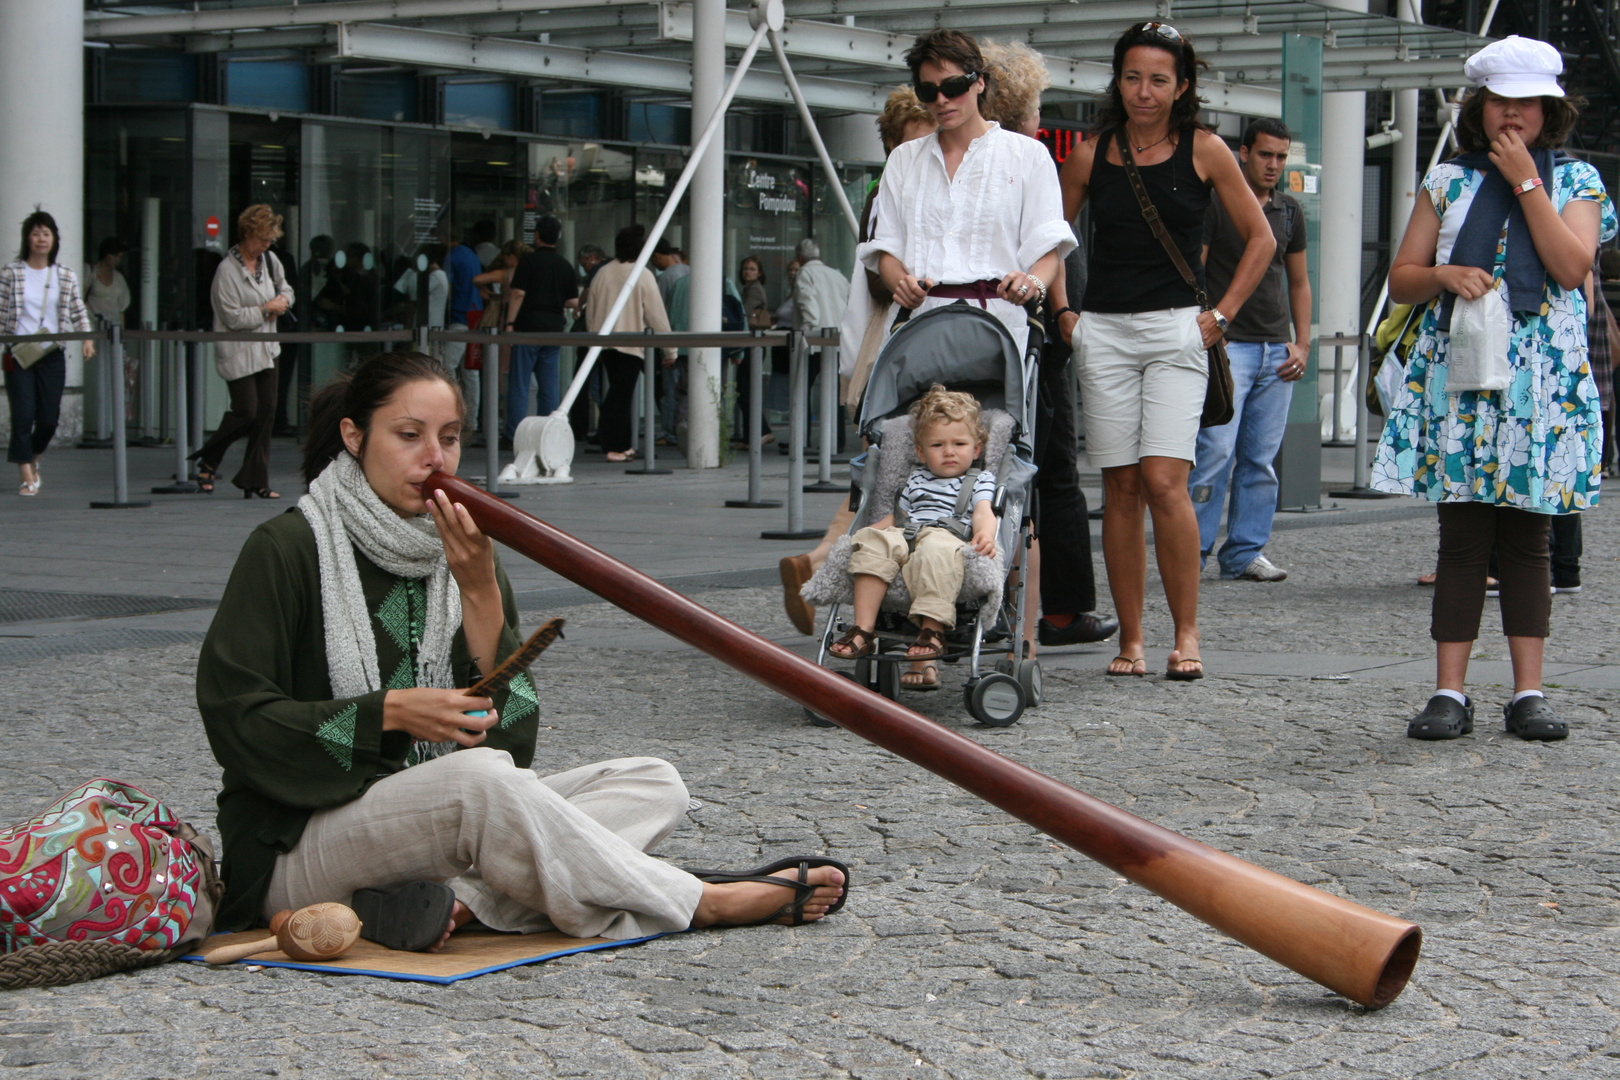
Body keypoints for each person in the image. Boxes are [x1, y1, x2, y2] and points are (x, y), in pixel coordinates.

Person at [195, 350, 846, 947]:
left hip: (438, 829)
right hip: (295, 845)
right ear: (354, 436)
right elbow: (238, 721)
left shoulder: (463, 553)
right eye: (408, 435)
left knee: (655, 785)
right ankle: (701, 901)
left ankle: (465, 904)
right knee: (474, 784)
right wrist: (387, 714)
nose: (435, 459)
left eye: (448, 439)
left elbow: (514, 749)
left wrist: (481, 594)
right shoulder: (288, 550)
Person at [1372, 35, 1614, 742]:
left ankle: (1528, 692)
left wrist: (1526, 183)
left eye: (1528, 103)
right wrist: (1445, 276)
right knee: (1462, 538)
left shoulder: (1577, 181)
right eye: (1502, 101)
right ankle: (1449, 691)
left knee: (1530, 542)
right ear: (1481, 106)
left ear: (1549, 110)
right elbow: (1402, 278)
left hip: (1543, 384)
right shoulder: (1449, 179)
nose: (1514, 116)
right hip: (1466, 377)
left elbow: (1572, 267)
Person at [1058, 21, 1274, 680]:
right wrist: (1064, 312)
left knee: (1163, 481)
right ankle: (1131, 640)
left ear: (1182, 86)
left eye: (1158, 79)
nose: (1143, 92)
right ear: (1116, 80)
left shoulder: (1206, 149)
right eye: (1132, 77)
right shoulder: (1092, 153)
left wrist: (1222, 314)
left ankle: (1187, 634)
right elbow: (1049, 239)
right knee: (1119, 487)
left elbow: (1260, 239)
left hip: (1179, 329)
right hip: (1105, 332)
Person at [976, 40, 1120, 651]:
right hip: (1034, 338)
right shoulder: (1027, 161)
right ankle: (1060, 609)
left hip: (980, 339)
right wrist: (1063, 315)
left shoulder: (976, 161)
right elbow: (1056, 251)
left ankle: (1004, 601)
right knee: (1051, 472)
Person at [780, 89, 936, 636]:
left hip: (895, 349)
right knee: (886, 475)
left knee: (879, 473)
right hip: (896, 349)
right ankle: (827, 562)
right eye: (913, 139)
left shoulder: (893, 187)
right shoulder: (887, 192)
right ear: (893, 144)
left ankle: (822, 558)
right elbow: (879, 276)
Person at [1187, 118, 1313, 583]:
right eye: (1266, 155)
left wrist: (1302, 342)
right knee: (1214, 452)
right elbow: (1194, 272)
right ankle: (1192, 552)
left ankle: (1244, 552)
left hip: (1275, 349)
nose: (1274, 165)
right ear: (1244, 153)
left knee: (1260, 460)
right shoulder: (1218, 203)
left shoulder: (1289, 211)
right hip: (1228, 346)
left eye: (1281, 157)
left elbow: (1298, 280)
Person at [827, 386, 997, 690]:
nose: (948, 451)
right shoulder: (916, 478)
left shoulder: (979, 479)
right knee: (872, 540)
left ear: (976, 450)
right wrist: (871, 532)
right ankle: (863, 629)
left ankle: (932, 631)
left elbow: (984, 512)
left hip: (948, 535)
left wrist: (985, 532)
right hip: (908, 533)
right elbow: (897, 516)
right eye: (937, 445)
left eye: (959, 443)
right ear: (920, 452)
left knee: (935, 550)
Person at [194, 204, 295, 499]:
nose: (266, 245)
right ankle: (209, 459)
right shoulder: (226, 271)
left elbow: (287, 289)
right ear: (248, 234)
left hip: (266, 348)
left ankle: (257, 479)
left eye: (270, 240)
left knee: (266, 412)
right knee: (246, 410)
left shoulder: (271, 261)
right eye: (262, 238)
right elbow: (232, 317)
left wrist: (282, 301)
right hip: (238, 350)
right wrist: (266, 309)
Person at [1, 209, 94, 497]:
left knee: (49, 418)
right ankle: (26, 473)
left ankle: (33, 457)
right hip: (18, 352)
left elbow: (77, 308)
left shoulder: (63, 274)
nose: (40, 239)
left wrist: (86, 337)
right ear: (27, 238)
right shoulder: (11, 272)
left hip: (52, 352)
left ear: (54, 239)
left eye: (46, 233)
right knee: (23, 414)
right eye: (35, 233)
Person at [586, 224, 677, 463]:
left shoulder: (603, 272)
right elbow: (657, 315)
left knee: (619, 393)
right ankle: (615, 446)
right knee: (621, 395)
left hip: (604, 343)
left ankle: (624, 444)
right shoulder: (642, 274)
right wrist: (670, 350)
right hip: (631, 344)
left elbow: (591, 309)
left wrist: (591, 339)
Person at [502, 216, 578, 439]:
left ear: (536, 236)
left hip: (528, 328)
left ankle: (514, 433)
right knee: (549, 385)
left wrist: (509, 324)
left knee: (519, 383)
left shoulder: (528, 261)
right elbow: (572, 301)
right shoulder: (565, 265)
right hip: (554, 329)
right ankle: (548, 434)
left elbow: (518, 293)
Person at [792, 238, 852, 456]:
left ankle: (802, 439)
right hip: (836, 341)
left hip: (815, 340)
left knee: (802, 390)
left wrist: (809, 331)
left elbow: (807, 303)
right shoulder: (837, 275)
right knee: (835, 393)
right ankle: (837, 440)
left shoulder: (805, 274)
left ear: (800, 257)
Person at [443, 230, 485, 432]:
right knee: (471, 370)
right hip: (475, 315)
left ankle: (451, 412)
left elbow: (447, 290)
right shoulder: (471, 255)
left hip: (459, 316)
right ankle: (472, 420)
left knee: (447, 366)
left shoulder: (452, 256)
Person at [733, 255, 775, 445]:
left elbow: (744, 315)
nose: (747, 272)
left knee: (745, 390)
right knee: (745, 389)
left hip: (753, 344)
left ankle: (761, 431)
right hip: (751, 343)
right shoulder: (748, 289)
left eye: (752, 269)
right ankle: (753, 434)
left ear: (759, 273)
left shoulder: (755, 290)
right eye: (745, 269)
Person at [83, 237, 130, 331]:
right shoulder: (90, 272)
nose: (117, 260)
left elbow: (121, 310)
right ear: (106, 254)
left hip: (114, 329)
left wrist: (122, 334)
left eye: (120, 257)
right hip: (93, 327)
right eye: (115, 256)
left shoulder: (119, 278)